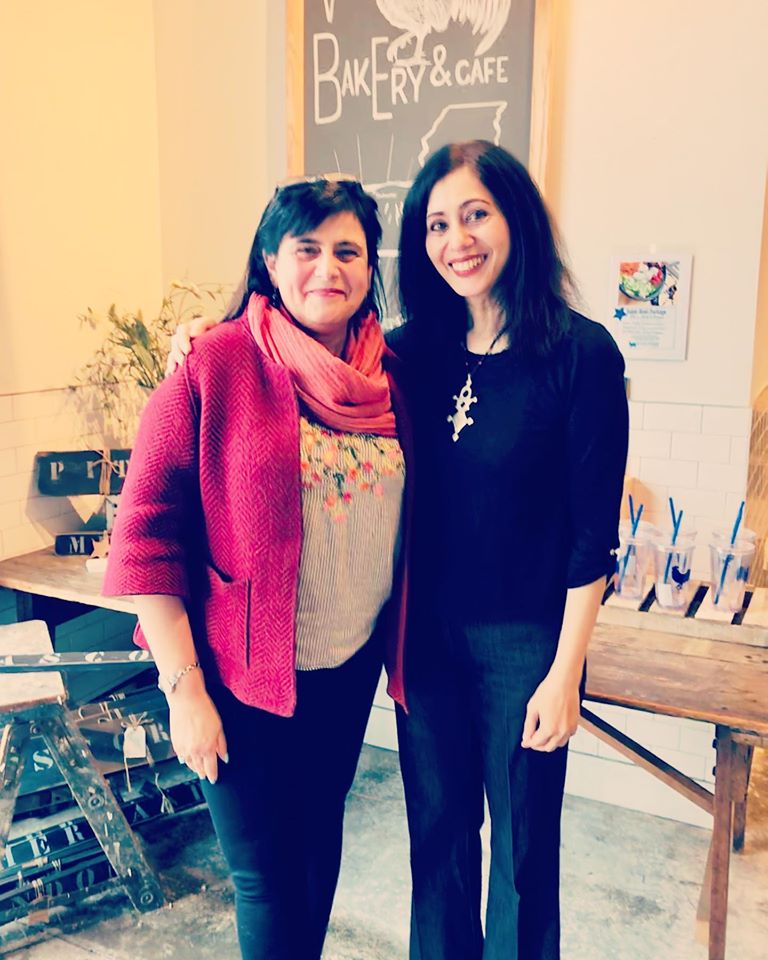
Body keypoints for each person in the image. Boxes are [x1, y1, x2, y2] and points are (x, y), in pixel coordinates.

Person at [168, 141, 628, 960]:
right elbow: (295, 359)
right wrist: (212, 333)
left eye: (477, 215)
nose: (458, 240)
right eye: (438, 223)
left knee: (524, 857)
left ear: (517, 219)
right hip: (424, 642)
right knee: (438, 845)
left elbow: (594, 534)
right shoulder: (407, 355)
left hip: (527, 644)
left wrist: (566, 675)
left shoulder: (581, 354)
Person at [103, 177, 413, 960]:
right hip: (239, 678)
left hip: (347, 668)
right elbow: (144, 540)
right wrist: (185, 693)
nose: (327, 268)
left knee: (317, 849)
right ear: (271, 261)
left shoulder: (391, 375)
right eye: (306, 249)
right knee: (268, 879)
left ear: (370, 267)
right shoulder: (215, 363)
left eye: (348, 251)